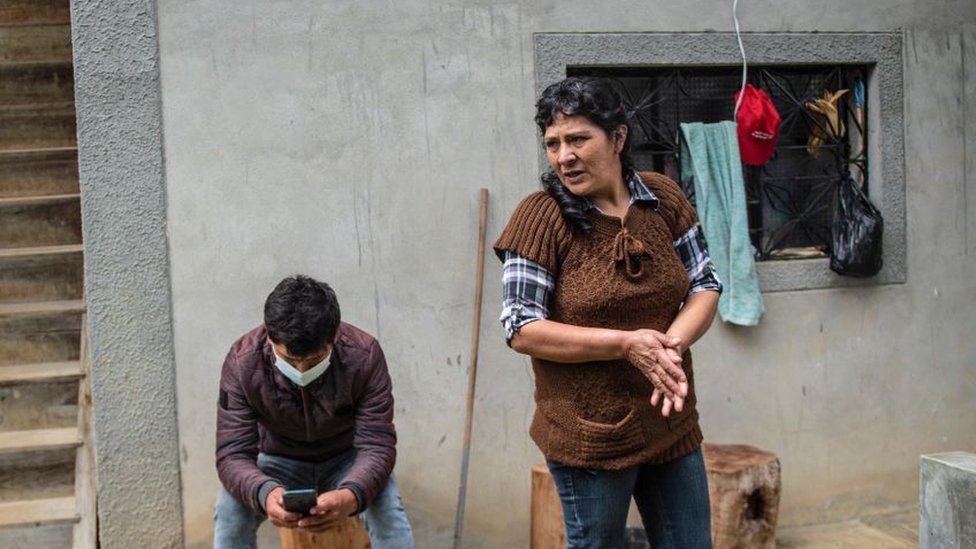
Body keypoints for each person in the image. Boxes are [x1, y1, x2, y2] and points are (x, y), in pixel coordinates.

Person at [493, 77, 723, 548]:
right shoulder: (540, 217)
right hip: (590, 438)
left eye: (578, 139)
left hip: (671, 423)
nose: (564, 157)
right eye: (553, 144)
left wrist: (668, 347)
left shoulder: (663, 199)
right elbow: (521, 326)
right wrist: (625, 344)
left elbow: (704, 283)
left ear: (618, 137)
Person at [214, 275, 414, 548]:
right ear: (270, 338)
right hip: (275, 459)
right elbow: (232, 453)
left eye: (314, 360)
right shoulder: (242, 362)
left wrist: (351, 495)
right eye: (288, 360)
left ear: (334, 337)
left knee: (390, 514)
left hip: (347, 459)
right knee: (229, 512)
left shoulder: (364, 356)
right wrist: (265, 492)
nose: (301, 371)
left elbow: (378, 446)